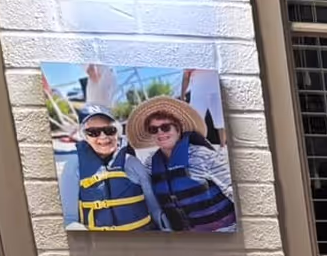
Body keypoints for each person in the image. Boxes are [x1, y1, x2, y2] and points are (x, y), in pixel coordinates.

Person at [128, 95, 238, 233]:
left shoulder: (203, 156)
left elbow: (236, 193)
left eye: (166, 127)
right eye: (153, 129)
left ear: (178, 129)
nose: (160, 133)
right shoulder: (150, 164)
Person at [56, 104, 162, 232]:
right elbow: (69, 218)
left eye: (109, 130)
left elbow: (155, 209)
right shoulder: (74, 166)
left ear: (117, 131)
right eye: (93, 132)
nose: (102, 137)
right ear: (85, 136)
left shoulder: (132, 163)